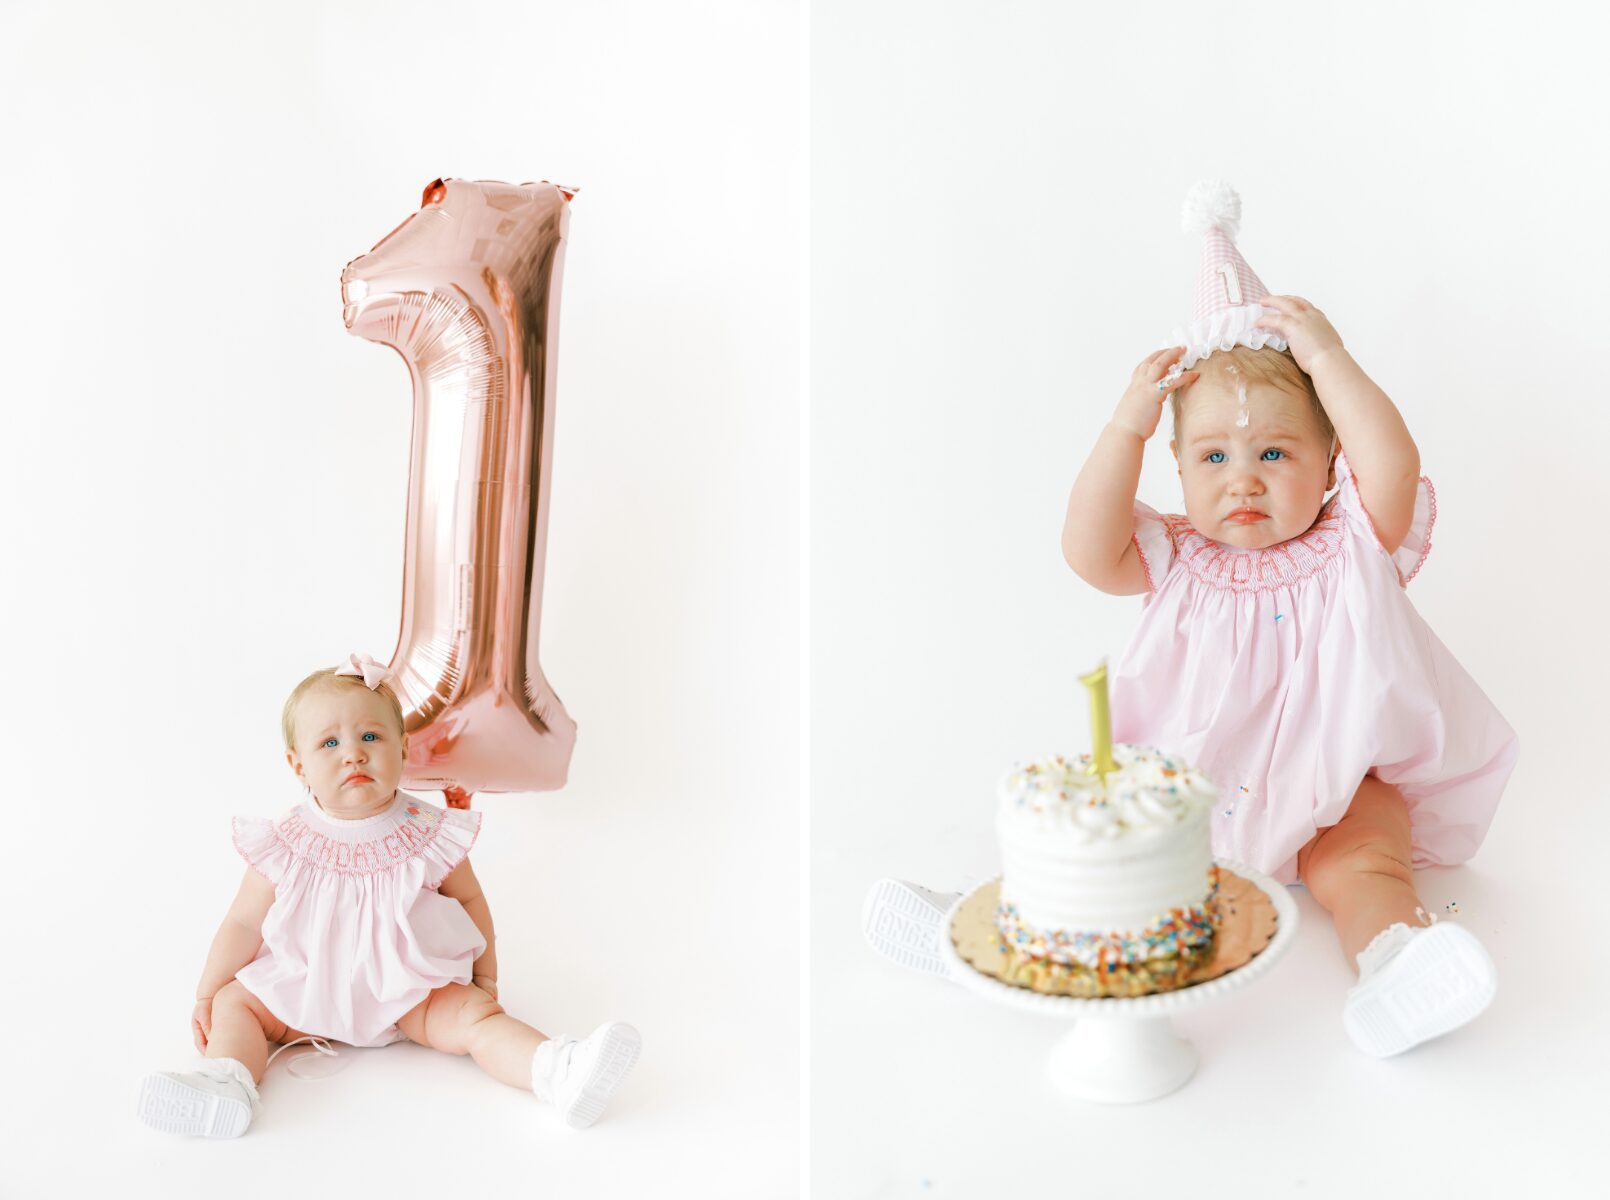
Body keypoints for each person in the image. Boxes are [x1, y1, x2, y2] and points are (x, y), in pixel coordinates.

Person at [864, 182, 1516, 1058]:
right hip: (1189, 797)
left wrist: (1330, 361)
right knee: (1106, 866)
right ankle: (992, 927)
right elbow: (1086, 551)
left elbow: (1394, 462)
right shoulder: (1174, 555)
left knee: (1370, 859)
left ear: (1331, 461)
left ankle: (1396, 962)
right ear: (1175, 465)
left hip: (1337, 788)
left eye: (1274, 451)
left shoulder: (1356, 539)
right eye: (1213, 455)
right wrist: (1123, 428)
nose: (1243, 477)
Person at [136, 653, 641, 1138]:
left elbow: (470, 902)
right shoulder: (286, 840)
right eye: (329, 743)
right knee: (237, 1004)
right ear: (298, 765)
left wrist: (484, 977)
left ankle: (556, 1069)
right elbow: (243, 923)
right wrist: (209, 992)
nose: (353, 753)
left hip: (410, 992)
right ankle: (228, 1083)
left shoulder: (428, 832)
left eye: (371, 736)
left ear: (402, 751)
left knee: (476, 1018)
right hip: (304, 989)